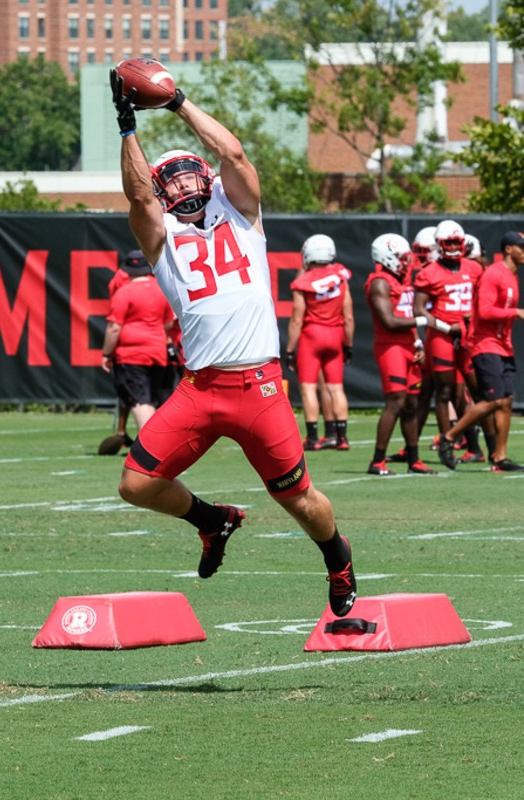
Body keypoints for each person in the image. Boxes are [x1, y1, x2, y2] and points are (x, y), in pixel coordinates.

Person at [109, 67, 357, 616]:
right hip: (201, 388)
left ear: (208, 177)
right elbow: (137, 195)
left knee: (296, 498)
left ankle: (337, 556)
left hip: (259, 386)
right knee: (135, 483)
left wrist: (177, 103)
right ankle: (212, 519)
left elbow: (236, 155)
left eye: (186, 172)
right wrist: (127, 125)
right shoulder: (160, 235)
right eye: (166, 178)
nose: (178, 183)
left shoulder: (242, 214)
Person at [438, 231, 524, 473]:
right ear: (508, 249)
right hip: (484, 344)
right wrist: (516, 313)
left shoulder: (512, 276)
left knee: (506, 402)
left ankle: (500, 458)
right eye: (522, 247)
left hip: (502, 346)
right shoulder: (493, 274)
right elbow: (486, 311)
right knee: (492, 400)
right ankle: (448, 438)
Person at [413, 219, 489, 464]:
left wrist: (472, 322)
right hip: (442, 336)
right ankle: (447, 445)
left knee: (480, 391)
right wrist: (448, 327)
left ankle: (492, 447)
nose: (455, 247)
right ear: (439, 244)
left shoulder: (475, 269)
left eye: (458, 242)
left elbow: (484, 300)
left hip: (469, 336)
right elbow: (419, 310)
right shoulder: (429, 273)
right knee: (444, 391)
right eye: (450, 242)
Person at [364, 233, 436, 476]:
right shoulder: (379, 282)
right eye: (401, 258)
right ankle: (377, 461)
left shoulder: (401, 281)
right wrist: (423, 320)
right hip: (390, 347)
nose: (406, 262)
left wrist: (418, 342)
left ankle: (413, 459)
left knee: (412, 404)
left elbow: (405, 316)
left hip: (408, 345)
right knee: (395, 402)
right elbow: (389, 322)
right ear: (387, 257)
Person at [284, 234, 354, 451]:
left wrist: (289, 349)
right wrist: (348, 344)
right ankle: (341, 437)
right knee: (336, 389)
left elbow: (297, 319)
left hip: (312, 335)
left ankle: (313, 437)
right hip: (335, 334)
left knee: (308, 389)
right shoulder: (341, 276)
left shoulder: (302, 283)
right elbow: (349, 315)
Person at [100, 249, 175, 436]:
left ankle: (153, 445)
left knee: (138, 402)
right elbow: (169, 322)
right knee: (149, 400)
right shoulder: (162, 289)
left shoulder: (124, 292)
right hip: (158, 352)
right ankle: (155, 442)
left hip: (131, 355)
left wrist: (106, 353)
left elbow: (114, 327)